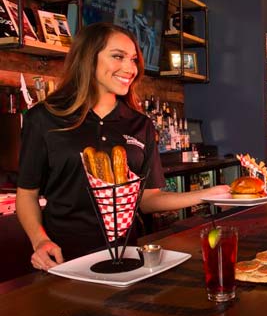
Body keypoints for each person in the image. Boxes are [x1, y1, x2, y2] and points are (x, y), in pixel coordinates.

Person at [16, 23, 229, 271]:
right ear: (88, 57)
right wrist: (40, 240)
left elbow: (148, 199)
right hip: (63, 259)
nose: (130, 68)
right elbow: (27, 194)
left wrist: (207, 193)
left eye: (133, 60)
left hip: (128, 257)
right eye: (118, 57)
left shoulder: (141, 124)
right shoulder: (44, 118)